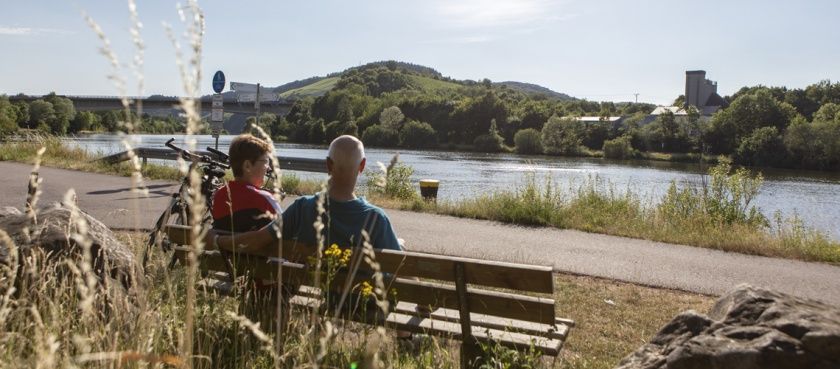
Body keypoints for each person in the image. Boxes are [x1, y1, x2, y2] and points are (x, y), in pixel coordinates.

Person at [207, 134, 402, 252]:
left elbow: (257, 239)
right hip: (365, 306)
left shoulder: (302, 209)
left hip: (327, 299)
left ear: (327, 165)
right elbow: (401, 268)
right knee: (398, 246)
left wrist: (217, 240)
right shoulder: (377, 219)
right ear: (362, 166)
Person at [210, 134, 281, 234]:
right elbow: (286, 234)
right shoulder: (265, 199)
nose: (268, 168)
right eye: (265, 161)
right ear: (247, 166)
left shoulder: (219, 196)